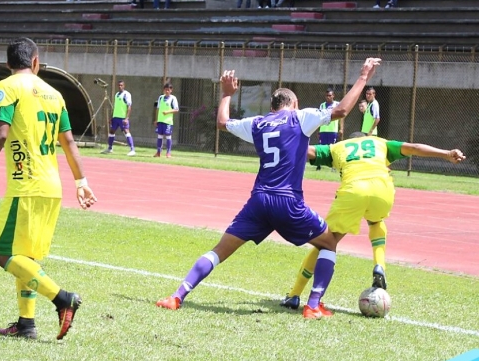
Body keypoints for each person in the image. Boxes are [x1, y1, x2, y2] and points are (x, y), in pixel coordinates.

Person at [156, 60, 382, 319]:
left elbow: (222, 122)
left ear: (272, 107)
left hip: (259, 202)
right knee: (329, 244)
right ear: (293, 104)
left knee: (219, 251)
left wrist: (227, 94)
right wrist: (364, 76)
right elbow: (342, 110)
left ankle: (176, 296)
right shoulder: (300, 117)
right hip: (288, 202)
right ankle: (313, 305)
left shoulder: (257, 123)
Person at [0, 37, 97, 341]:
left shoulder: (7, 87)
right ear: (35, 62)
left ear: (8, 64)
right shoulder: (55, 94)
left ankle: (63, 298)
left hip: (27, 185)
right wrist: (82, 182)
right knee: (26, 257)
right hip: (52, 186)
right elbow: (69, 142)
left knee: (3, 254)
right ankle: (26, 324)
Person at [280, 133, 466, 308]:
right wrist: (446, 154)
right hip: (383, 190)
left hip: (354, 190)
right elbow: (414, 147)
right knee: (376, 222)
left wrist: (281, 147)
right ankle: (379, 265)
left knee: (326, 242)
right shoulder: (380, 143)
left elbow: (306, 150)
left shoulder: (338, 147)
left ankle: (295, 294)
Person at [102, 80, 136, 155]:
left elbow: (129, 107)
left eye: (121, 85)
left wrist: (127, 118)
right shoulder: (117, 94)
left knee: (126, 132)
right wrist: (111, 117)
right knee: (111, 131)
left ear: (124, 86)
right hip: (115, 117)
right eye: (119, 85)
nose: (120, 87)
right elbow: (115, 107)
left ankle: (132, 150)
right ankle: (110, 148)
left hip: (122, 118)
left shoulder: (126, 94)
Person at [315, 88, 340, 170]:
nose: (328, 97)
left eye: (330, 95)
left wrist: (341, 128)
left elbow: (341, 117)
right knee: (321, 147)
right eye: (327, 96)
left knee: (332, 148)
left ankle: (333, 166)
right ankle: (319, 164)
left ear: (333, 96)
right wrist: (318, 130)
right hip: (323, 130)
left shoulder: (337, 104)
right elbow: (319, 117)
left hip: (333, 130)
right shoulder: (322, 105)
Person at [154, 82, 179, 158]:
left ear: (171, 90)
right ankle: (158, 152)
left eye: (168, 90)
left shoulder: (173, 98)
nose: (167, 91)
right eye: (165, 90)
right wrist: (156, 119)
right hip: (160, 121)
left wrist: (167, 112)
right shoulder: (161, 97)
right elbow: (158, 108)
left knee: (168, 136)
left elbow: (176, 109)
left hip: (168, 121)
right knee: (159, 136)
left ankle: (168, 152)